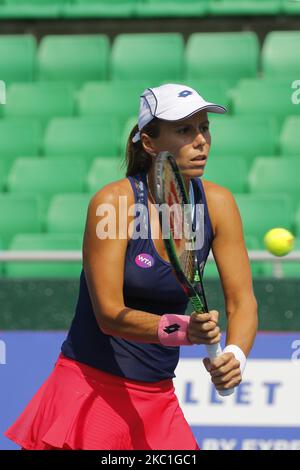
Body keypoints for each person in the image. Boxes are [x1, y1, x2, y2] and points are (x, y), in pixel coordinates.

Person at [5, 83, 258, 450]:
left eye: (204, 127)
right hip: (90, 390)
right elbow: (109, 315)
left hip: (157, 397)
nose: (201, 140)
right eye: (185, 130)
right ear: (149, 142)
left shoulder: (218, 204)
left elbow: (242, 302)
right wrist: (183, 330)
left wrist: (235, 356)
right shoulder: (113, 204)